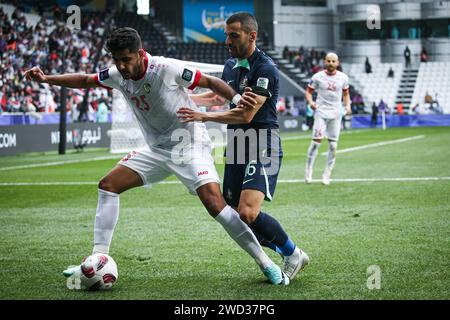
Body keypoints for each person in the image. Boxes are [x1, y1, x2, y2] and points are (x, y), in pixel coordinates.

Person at [24, 27, 289, 285]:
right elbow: (85, 79)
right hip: (156, 149)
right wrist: (47, 79)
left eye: (126, 59)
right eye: (117, 60)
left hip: (188, 144)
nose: (122, 66)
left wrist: (236, 98)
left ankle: (266, 263)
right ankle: (97, 258)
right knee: (108, 185)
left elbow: (209, 82)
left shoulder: (165, 68)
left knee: (215, 205)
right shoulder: (117, 74)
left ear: (140, 53)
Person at [177, 12, 309, 281]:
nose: (227, 40)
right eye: (226, 34)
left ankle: (292, 253)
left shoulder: (265, 70)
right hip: (237, 143)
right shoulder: (230, 66)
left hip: (262, 142)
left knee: (248, 211)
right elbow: (217, 95)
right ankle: (286, 250)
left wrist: (203, 116)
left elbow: (246, 115)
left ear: (252, 36)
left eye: (233, 35)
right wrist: (182, 98)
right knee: (237, 213)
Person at [303, 52, 351, 185]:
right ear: (324, 62)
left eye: (333, 61)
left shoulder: (343, 78)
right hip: (321, 113)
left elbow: (346, 94)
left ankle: (327, 174)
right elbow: (308, 92)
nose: (331, 63)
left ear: (337, 63)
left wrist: (348, 106)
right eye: (328, 61)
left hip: (336, 114)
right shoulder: (317, 77)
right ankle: (308, 170)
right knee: (316, 143)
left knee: (333, 145)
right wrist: (311, 102)